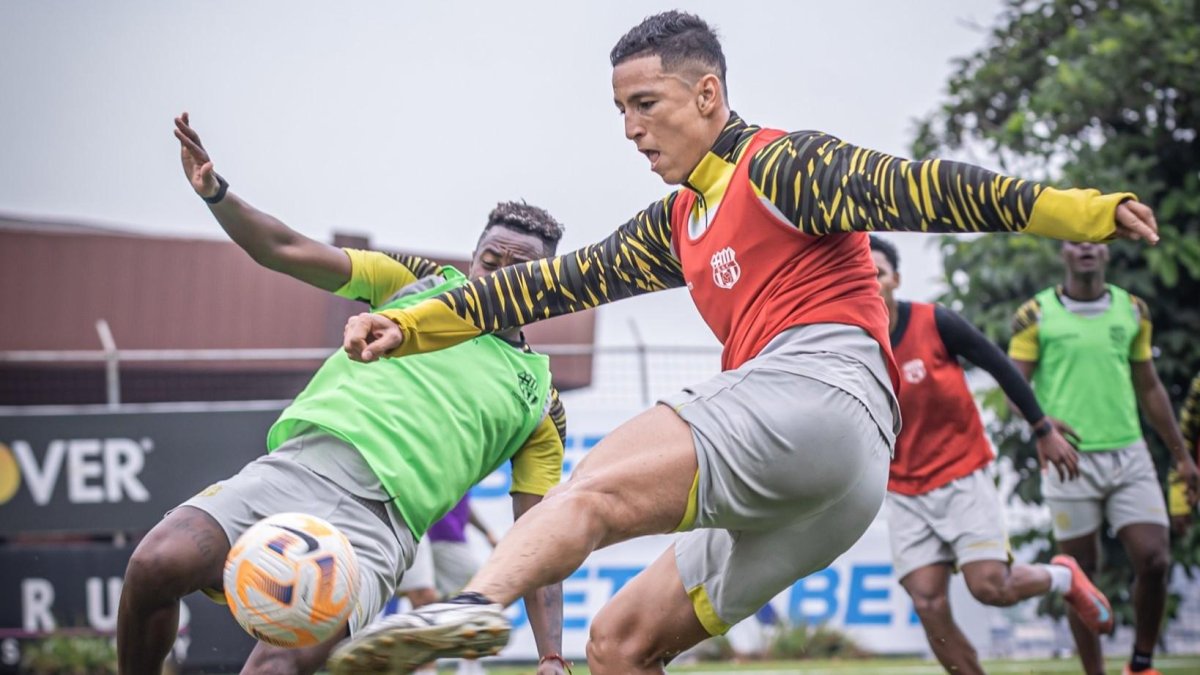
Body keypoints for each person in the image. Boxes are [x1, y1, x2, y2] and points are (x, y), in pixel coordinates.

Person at [336, 12, 1161, 673]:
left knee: (589, 488)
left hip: (820, 389)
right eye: (619, 110)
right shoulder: (677, 219)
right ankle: (477, 613)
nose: (629, 129)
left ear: (708, 94)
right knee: (619, 644)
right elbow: (548, 285)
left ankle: (467, 610)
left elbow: (921, 187)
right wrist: (410, 325)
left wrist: (1078, 210)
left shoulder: (778, 165)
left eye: (645, 104)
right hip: (834, 490)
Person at [115, 113, 570, 675]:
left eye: (517, 271)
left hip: (374, 529)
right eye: (488, 261)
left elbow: (539, 535)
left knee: (276, 671)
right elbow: (282, 247)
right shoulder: (415, 284)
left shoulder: (540, 400)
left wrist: (552, 655)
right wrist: (217, 193)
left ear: (545, 290)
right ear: (473, 259)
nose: (494, 278)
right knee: (154, 565)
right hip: (292, 470)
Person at [869, 235, 1110, 674]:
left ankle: (1063, 576)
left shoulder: (936, 322)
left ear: (896, 280)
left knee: (990, 587)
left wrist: (1041, 427)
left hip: (960, 475)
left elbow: (1000, 365)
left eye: (878, 273)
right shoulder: (852, 344)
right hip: (903, 488)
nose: (870, 281)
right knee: (927, 600)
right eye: (859, 275)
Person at [1009, 241, 1200, 675]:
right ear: (1063, 252)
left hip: (1129, 453)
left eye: (1094, 240)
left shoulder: (1133, 310)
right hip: (1067, 459)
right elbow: (1012, 385)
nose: (1086, 248)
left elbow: (1150, 387)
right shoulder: (1034, 314)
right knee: (1082, 574)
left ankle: (1141, 664)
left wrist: (1183, 457)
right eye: (1076, 241)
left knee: (1155, 558)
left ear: (1107, 251)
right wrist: (1042, 424)